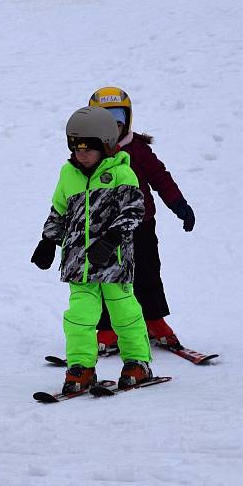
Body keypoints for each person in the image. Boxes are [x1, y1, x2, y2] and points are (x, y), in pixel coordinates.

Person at [31, 106, 153, 393]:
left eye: (89, 147)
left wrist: (111, 240)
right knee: (79, 317)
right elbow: (59, 212)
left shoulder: (122, 174)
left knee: (125, 313)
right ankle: (81, 367)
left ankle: (138, 362)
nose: (81, 153)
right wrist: (48, 240)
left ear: (107, 145)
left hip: (113, 261)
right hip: (78, 264)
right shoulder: (68, 175)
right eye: (75, 147)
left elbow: (134, 211)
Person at [87, 87, 194, 351]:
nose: (113, 123)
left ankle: (153, 319)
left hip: (141, 225)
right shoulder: (88, 154)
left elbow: (160, 178)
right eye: (104, 115)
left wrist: (179, 205)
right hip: (105, 230)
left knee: (147, 272)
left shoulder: (138, 150)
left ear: (128, 117)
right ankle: (109, 328)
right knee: (107, 278)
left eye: (117, 115)